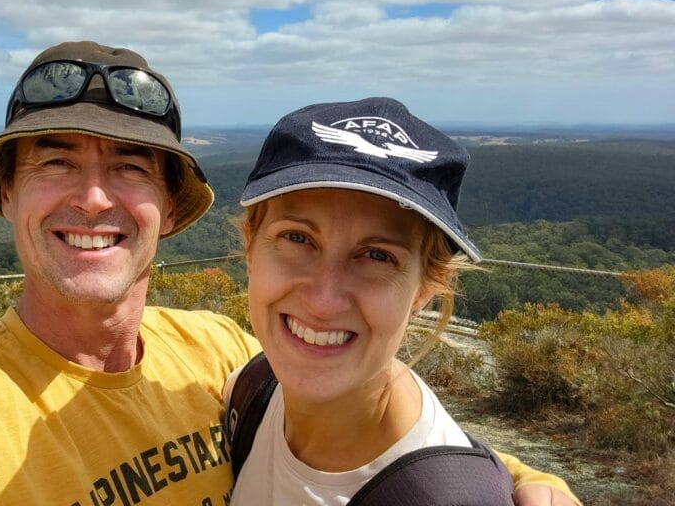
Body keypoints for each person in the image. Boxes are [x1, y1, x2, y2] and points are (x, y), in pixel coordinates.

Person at [0, 43, 576, 505]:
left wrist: (511, 479)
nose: (93, 196)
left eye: (130, 167)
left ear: (168, 205)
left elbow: (358, 431)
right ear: (9, 195)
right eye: (56, 161)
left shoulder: (222, 358)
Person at [225, 97, 582, 505]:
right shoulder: (249, 388)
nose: (324, 300)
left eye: (378, 255)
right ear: (251, 246)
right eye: (298, 238)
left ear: (425, 289)